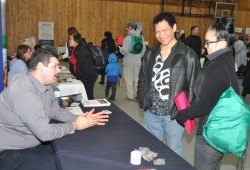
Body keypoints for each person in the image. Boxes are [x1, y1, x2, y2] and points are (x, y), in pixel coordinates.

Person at [0, 48, 109, 170]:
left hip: (29, 140)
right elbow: (44, 133)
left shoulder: (44, 84)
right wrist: (76, 125)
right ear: (41, 67)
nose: (58, 70)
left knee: (72, 152)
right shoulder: (25, 92)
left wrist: (80, 118)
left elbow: (54, 110)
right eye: (55, 66)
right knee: (63, 164)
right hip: (9, 150)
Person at [175, 17, 239, 169]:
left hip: (210, 133)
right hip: (220, 130)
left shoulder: (217, 66)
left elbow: (205, 105)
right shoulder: (227, 59)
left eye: (208, 42)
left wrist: (183, 113)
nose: (205, 45)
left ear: (222, 42)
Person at [137, 12, 200, 156]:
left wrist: (185, 113)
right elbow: (143, 78)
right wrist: (143, 99)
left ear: (174, 28)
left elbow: (193, 87)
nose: (161, 35)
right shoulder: (151, 53)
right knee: (150, 151)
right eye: (157, 31)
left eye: (165, 30)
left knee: (174, 152)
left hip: (174, 115)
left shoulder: (188, 55)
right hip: (151, 112)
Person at [119, 22, 146, 100]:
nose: (126, 29)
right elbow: (143, 49)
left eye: (127, 27)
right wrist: (138, 56)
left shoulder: (128, 38)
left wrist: (120, 49)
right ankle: (138, 94)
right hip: (138, 61)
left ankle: (130, 95)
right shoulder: (141, 37)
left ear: (130, 28)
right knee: (137, 78)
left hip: (128, 62)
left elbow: (124, 51)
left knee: (128, 78)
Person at [69, 32, 98, 99]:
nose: (69, 41)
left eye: (71, 39)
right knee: (85, 93)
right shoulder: (77, 48)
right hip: (86, 73)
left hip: (89, 74)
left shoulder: (81, 49)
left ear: (76, 41)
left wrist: (76, 76)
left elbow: (80, 63)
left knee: (88, 93)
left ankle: (91, 107)